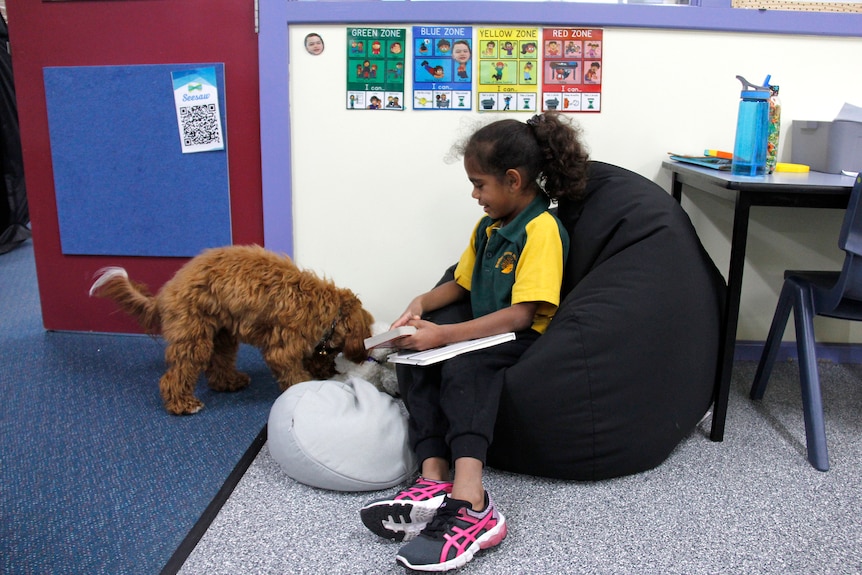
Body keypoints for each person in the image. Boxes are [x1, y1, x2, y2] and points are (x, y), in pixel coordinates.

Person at [360, 113, 590, 572]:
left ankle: (473, 505)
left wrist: (446, 336)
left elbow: (524, 313)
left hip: (522, 338)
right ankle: (432, 478)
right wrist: (421, 304)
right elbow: (461, 284)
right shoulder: (488, 228)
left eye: (479, 184)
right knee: (415, 356)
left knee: (465, 367)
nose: (474, 195)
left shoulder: (541, 229)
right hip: (485, 328)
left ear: (513, 179)